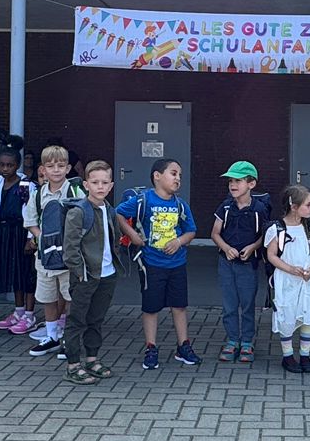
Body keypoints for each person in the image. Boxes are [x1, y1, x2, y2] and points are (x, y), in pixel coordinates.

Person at [116, 157, 198, 370]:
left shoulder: (180, 204)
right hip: (151, 264)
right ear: (157, 176)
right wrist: (132, 235)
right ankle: (151, 347)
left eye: (180, 175)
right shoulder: (143, 200)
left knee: (179, 306)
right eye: (173, 173)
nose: (178, 178)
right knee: (151, 307)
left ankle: (183, 346)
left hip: (177, 264)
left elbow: (191, 231)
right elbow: (119, 214)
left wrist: (179, 241)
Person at [62, 159, 119, 385]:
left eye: (105, 182)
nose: (100, 186)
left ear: (111, 185)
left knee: (96, 319)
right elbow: (70, 248)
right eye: (95, 182)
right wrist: (80, 272)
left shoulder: (110, 210)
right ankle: (73, 364)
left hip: (107, 274)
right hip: (86, 275)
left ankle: (92, 360)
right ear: (86, 184)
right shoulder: (78, 212)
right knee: (77, 320)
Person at [266, 184, 310, 373]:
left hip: (309, 279)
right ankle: (287, 357)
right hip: (287, 280)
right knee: (287, 315)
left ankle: (305, 355)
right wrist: (290, 269)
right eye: (308, 204)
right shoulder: (277, 229)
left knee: (307, 315)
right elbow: (271, 255)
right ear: (294, 207)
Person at [211, 160, 269, 363]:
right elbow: (215, 233)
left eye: (238, 181)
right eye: (230, 181)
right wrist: (226, 248)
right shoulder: (225, 207)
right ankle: (232, 340)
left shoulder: (259, 209)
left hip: (248, 265)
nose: (233, 185)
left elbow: (265, 236)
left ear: (251, 184)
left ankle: (247, 342)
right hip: (226, 264)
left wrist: (252, 247)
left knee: (247, 304)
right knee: (229, 304)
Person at [24, 146, 80, 357]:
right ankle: (51, 336)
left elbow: (83, 219)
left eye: (60, 165)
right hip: (45, 256)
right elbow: (31, 222)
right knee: (47, 296)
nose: (56, 170)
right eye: (50, 166)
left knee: (70, 296)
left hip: (68, 256)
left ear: (68, 168)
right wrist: (43, 238)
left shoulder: (75, 192)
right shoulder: (38, 195)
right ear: (43, 170)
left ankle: (70, 338)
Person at [0, 141, 36, 333]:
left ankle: (29, 314)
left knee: (26, 273)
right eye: (2, 165)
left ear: (17, 165)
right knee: (14, 273)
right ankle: (18, 311)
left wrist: (30, 237)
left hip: (21, 232)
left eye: (10, 165)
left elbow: (31, 211)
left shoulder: (25, 185)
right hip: (5, 231)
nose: (5, 169)